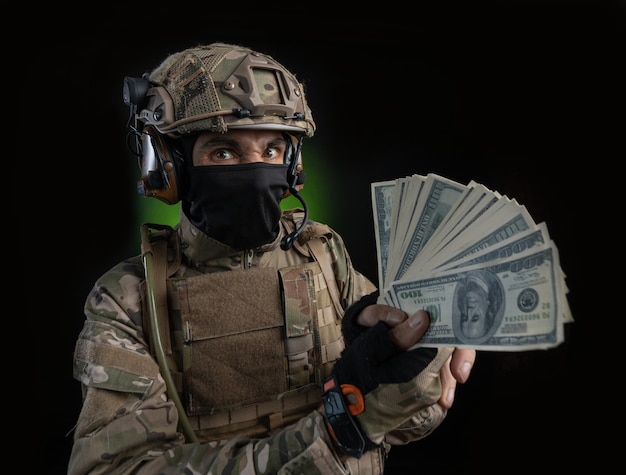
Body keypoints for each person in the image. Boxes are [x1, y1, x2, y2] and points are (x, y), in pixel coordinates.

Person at [68, 42, 476, 474]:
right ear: (170, 164)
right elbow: (115, 469)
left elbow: (409, 423)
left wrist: (418, 362)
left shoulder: (322, 253)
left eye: (272, 151)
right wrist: (339, 430)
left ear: (293, 164)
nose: (255, 168)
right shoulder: (129, 299)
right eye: (222, 152)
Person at [455, 270, 504, 343]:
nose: (469, 310)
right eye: (475, 317)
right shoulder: (492, 279)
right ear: (489, 310)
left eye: (464, 317)